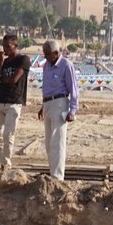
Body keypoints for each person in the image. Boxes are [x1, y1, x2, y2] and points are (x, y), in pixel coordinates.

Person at [36, 40, 79, 180]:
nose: (46, 58)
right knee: (49, 142)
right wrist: (43, 106)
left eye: (48, 55)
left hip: (60, 103)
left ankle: (58, 176)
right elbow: (47, 87)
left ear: (56, 53)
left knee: (58, 141)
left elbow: (74, 89)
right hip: (48, 103)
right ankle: (52, 172)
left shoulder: (66, 65)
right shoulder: (46, 66)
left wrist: (72, 111)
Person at [0, 34, 30, 170]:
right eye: (4, 46)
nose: (5, 49)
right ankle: (4, 163)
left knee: (9, 134)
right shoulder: (2, 62)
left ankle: (6, 163)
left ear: (15, 46)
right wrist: (0, 62)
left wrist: (3, 79)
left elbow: (14, 79)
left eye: (8, 46)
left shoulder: (23, 60)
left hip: (14, 101)